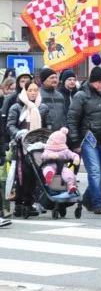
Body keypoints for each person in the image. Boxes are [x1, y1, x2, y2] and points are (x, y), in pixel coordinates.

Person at [66, 66, 101, 216]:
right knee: (95, 172)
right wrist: (76, 141)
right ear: (91, 82)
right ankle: (97, 203)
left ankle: (86, 198)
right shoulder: (81, 96)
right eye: (98, 82)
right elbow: (72, 119)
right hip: (89, 140)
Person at [6, 80, 57, 218]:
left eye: (35, 90)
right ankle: (18, 204)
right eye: (30, 90)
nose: (33, 93)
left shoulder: (43, 108)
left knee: (35, 175)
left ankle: (29, 203)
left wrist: (46, 135)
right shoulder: (16, 107)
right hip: (21, 147)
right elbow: (10, 125)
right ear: (25, 91)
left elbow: (49, 124)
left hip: (38, 146)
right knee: (22, 176)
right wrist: (19, 133)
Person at [39, 128, 80, 194]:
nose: (49, 141)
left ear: (56, 142)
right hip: (50, 165)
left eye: (51, 140)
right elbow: (44, 155)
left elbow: (72, 154)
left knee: (68, 172)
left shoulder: (65, 151)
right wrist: (50, 155)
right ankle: (48, 177)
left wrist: (76, 157)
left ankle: (70, 185)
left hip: (62, 168)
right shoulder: (48, 150)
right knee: (47, 169)